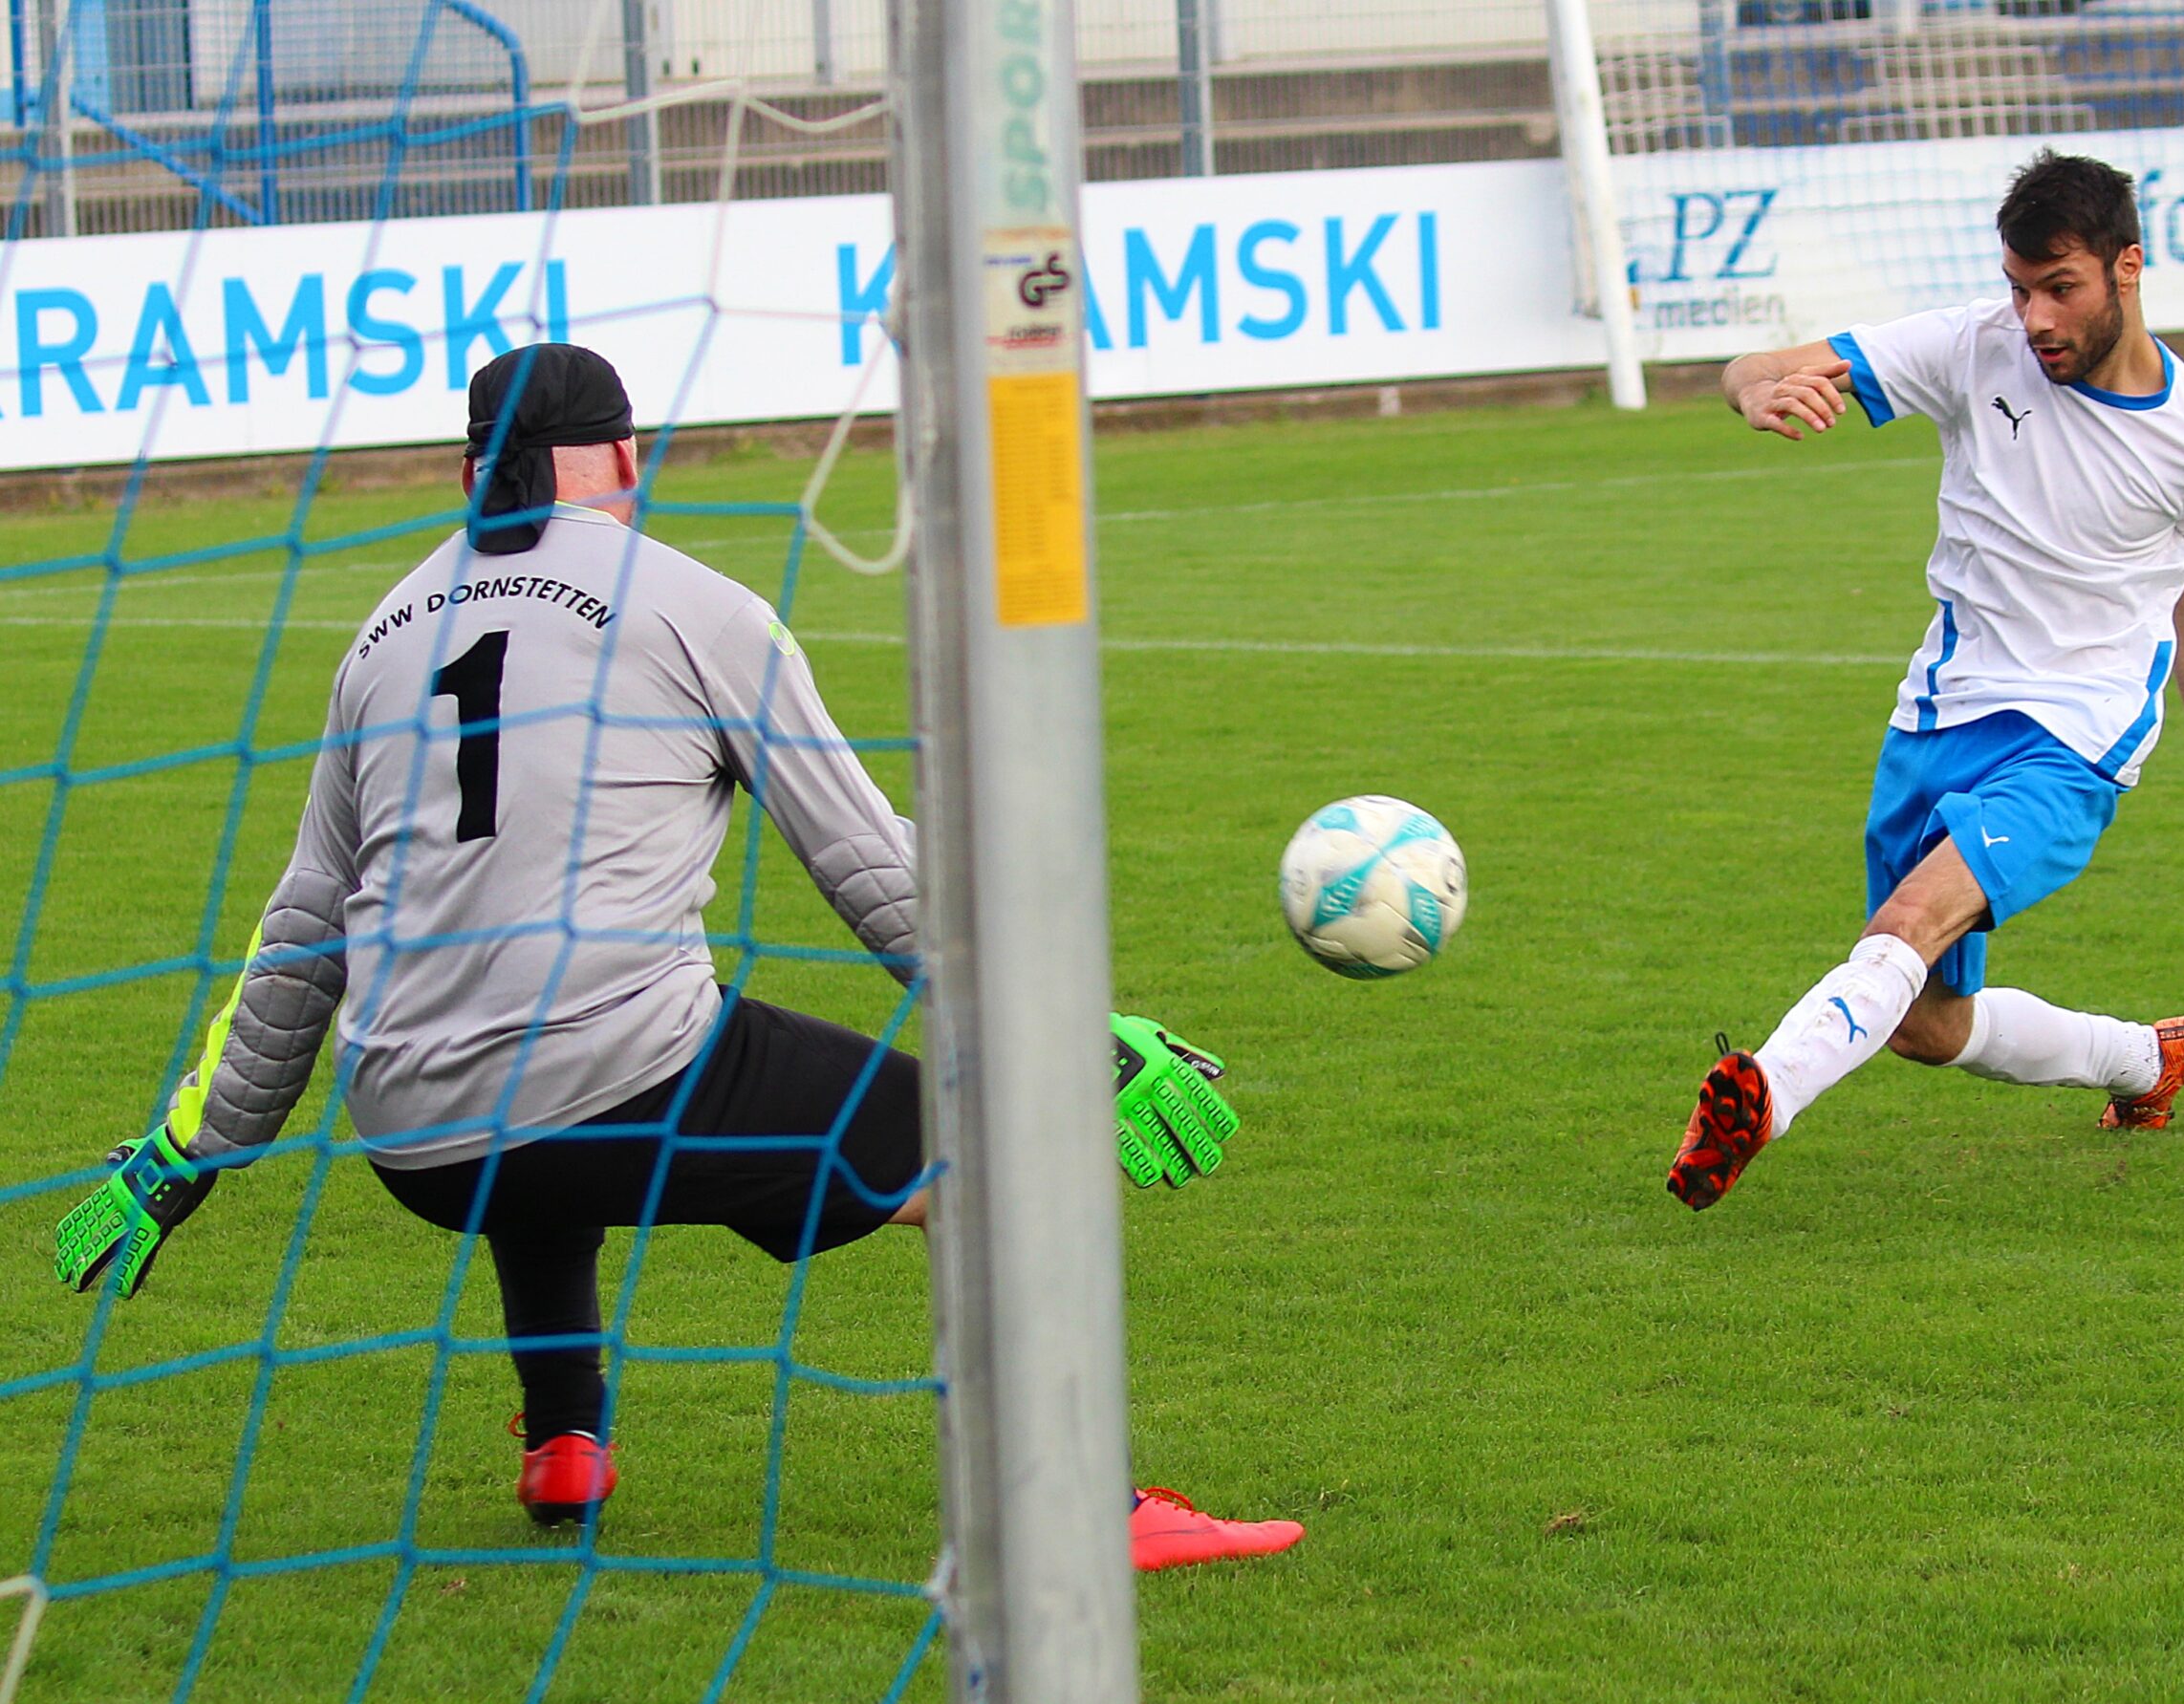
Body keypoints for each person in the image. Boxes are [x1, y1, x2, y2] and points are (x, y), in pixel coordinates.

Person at [54, 344, 1304, 1570]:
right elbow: (870, 867)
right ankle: (1084, 1509)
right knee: (999, 1164)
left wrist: (191, 1148)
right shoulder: (696, 606)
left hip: (412, 1135)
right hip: (622, 1080)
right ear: (622, 454)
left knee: (521, 1085)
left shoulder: (379, 637)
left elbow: (303, 924)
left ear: (472, 468)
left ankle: (565, 1439)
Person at [1667, 151, 2184, 1211]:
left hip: (2076, 735)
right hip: (1941, 713)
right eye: (2019, 287)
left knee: (1906, 921)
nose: (2035, 317)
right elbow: (1756, 364)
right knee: (1924, 1024)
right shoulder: (1971, 345)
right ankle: (2142, 1059)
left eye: (2060, 287)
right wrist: (1755, 388)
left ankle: (1764, 1093)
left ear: (2127, 268)